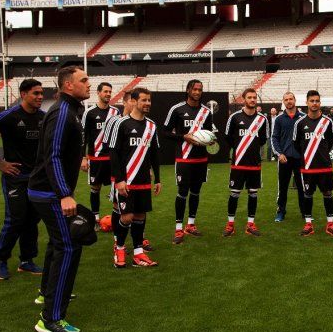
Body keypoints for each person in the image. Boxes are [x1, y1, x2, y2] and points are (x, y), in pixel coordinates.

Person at [28, 66, 89, 332]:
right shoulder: (63, 112)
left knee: (58, 244)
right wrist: (64, 193)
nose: (89, 84)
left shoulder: (72, 110)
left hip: (50, 191)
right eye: (83, 80)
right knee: (69, 246)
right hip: (49, 193)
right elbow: (52, 154)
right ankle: (50, 318)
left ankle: (47, 293)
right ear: (68, 85)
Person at [0, 79, 46, 280]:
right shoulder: (9, 115)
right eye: (36, 93)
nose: (40, 97)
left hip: (36, 179)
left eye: (41, 93)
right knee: (16, 218)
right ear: (23, 94)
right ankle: (0, 259)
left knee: (32, 220)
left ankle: (27, 260)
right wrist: (0, 162)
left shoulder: (43, 117)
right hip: (15, 177)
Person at [108, 87, 161, 268]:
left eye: (149, 100)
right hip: (126, 180)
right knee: (127, 217)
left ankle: (138, 253)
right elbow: (114, 153)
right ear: (134, 101)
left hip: (144, 180)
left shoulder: (152, 126)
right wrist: (119, 180)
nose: (147, 103)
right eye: (144, 100)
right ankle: (119, 248)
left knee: (140, 216)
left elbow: (154, 153)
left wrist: (158, 179)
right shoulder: (121, 124)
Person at [163, 79, 216, 244]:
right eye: (195, 89)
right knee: (182, 192)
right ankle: (178, 229)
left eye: (200, 89)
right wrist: (183, 137)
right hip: (184, 158)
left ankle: (191, 225)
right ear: (188, 90)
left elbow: (209, 133)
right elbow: (165, 132)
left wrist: (210, 140)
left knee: (196, 192)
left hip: (201, 159)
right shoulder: (177, 109)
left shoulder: (206, 112)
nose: (197, 92)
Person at [293, 90, 333, 237]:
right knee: (307, 194)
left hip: (324, 166)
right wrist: (308, 155)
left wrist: (321, 154)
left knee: (327, 193)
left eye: (317, 101)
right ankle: (308, 224)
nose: (314, 103)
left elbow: (331, 142)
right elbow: (296, 144)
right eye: (312, 101)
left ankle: (330, 223)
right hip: (307, 167)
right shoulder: (300, 123)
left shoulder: (327, 122)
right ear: (306, 102)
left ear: (320, 103)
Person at [223, 88, 270, 236]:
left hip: (254, 163)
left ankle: (250, 224)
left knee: (253, 194)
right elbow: (227, 137)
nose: (252, 100)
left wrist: (252, 149)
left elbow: (263, 139)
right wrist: (240, 148)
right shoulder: (235, 117)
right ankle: (230, 225)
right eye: (249, 97)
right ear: (244, 99)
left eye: (254, 97)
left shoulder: (262, 119)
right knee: (234, 194)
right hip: (238, 162)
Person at [81, 82, 120, 225]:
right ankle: (96, 219)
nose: (108, 94)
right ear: (98, 93)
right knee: (95, 188)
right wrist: (83, 158)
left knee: (117, 187)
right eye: (105, 91)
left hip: (112, 158)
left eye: (110, 91)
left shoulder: (116, 112)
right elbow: (83, 136)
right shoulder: (89, 112)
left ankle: (117, 217)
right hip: (96, 158)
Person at [271, 91, 305, 222]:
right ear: (283, 102)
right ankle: (281, 211)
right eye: (286, 99)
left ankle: (305, 212)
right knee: (283, 187)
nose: (289, 101)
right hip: (284, 158)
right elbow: (274, 138)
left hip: (300, 159)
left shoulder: (303, 118)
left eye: (291, 99)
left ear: (295, 100)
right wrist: (279, 154)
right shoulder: (279, 119)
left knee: (302, 187)